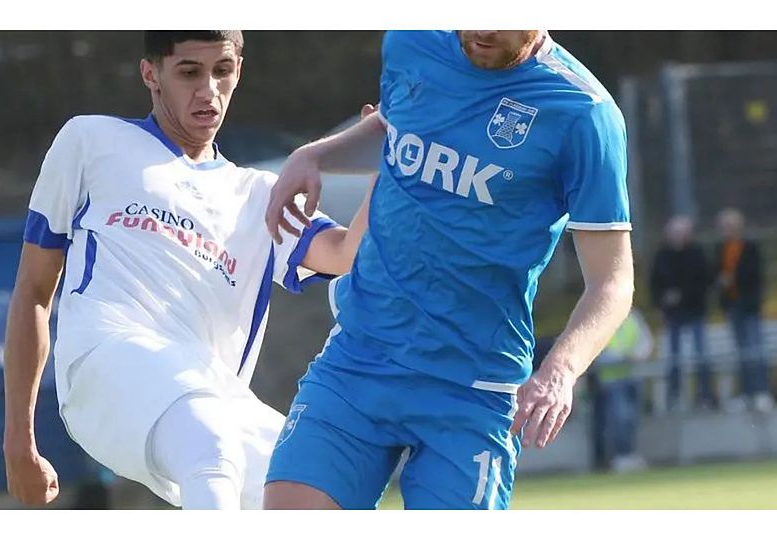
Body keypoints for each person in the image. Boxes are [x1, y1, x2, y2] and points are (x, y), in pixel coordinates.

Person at [263, 30, 635, 510]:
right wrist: (316, 155)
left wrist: (560, 371)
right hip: (360, 358)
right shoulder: (411, 42)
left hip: (472, 388)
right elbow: (400, 130)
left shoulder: (584, 114)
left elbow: (612, 283)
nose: (480, 29)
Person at [2, 30, 371, 510]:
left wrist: (388, 168)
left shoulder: (260, 192)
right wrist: (18, 442)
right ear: (150, 74)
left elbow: (345, 254)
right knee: (208, 440)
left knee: (319, 489)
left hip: (214, 394)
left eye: (222, 71)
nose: (208, 90)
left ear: (239, 71)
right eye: (189, 72)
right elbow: (33, 290)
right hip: (103, 362)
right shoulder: (89, 140)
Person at [649, 215, 714, 411]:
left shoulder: (697, 254)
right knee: (674, 357)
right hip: (672, 314)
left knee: (701, 355)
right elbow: (655, 285)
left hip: (695, 310)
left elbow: (703, 282)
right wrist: (662, 303)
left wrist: (682, 295)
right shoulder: (662, 256)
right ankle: (674, 397)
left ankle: (705, 395)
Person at [714, 208, 771, 412]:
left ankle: (762, 392)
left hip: (749, 307)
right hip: (733, 305)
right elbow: (717, 272)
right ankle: (747, 393)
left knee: (755, 349)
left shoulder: (749, 247)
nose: (725, 230)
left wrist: (733, 279)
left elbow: (755, 275)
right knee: (741, 352)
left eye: (729, 226)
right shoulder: (721, 249)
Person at [589, 308, 652, 473]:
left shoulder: (633, 318)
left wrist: (635, 355)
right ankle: (620, 456)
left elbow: (645, 342)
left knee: (631, 419)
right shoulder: (602, 316)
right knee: (618, 418)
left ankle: (629, 454)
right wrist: (623, 357)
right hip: (611, 379)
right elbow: (597, 350)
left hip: (633, 376)